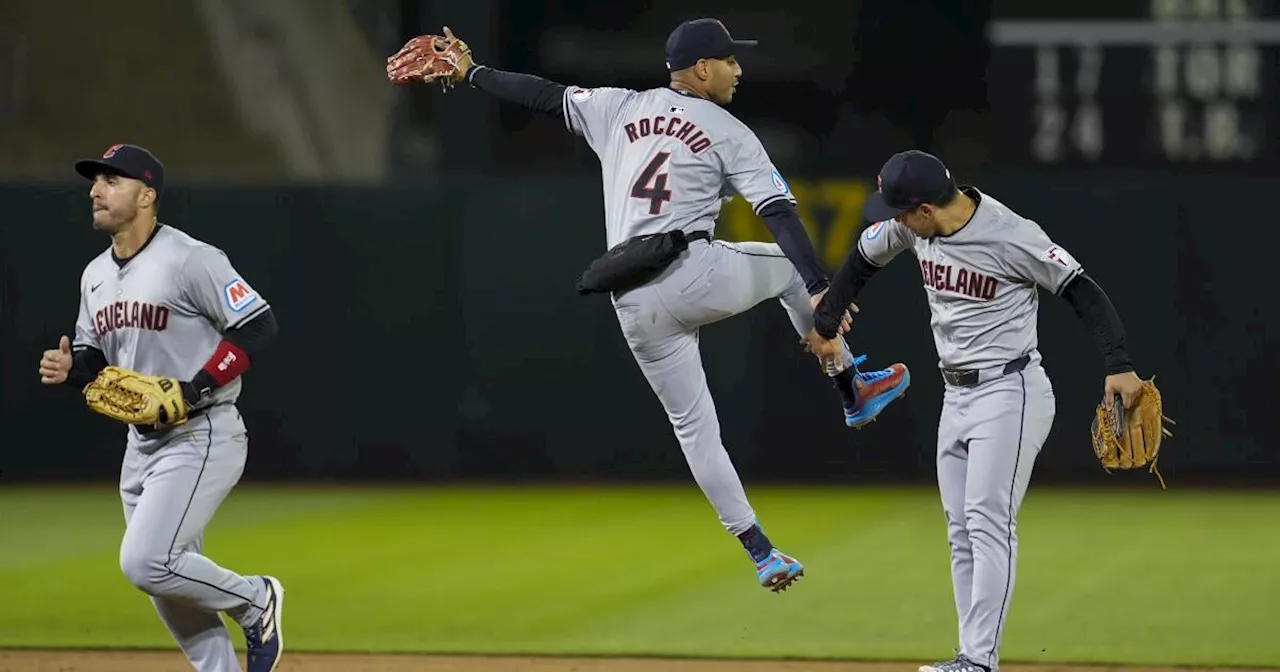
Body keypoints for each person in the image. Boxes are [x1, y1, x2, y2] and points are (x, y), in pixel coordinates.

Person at [386, 19, 910, 592]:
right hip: (691, 273)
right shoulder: (728, 129)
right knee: (787, 270)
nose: (738, 69)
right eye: (730, 60)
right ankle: (849, 386)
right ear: (703, 68)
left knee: (694, 430)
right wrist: (817, 287)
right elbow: (780, 213)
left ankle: (761, 552)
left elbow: (539, 94)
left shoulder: (616, 107)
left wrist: (473, 72)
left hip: (632, 300)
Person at [807, 150, 1146, 671]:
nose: (891, 219)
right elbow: (859, 262)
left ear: (923, 208)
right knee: (960, 528)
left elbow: (1083, 291)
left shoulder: (1011, 234)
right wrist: (826, 326)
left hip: (1011, 391)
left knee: (988, 521)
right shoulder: (913, 228)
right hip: (956, 394)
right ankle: (969, 657)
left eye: (898, 210)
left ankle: (978, 661)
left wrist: (1118, 363)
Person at [38, 144, 286, 672]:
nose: (96, 191)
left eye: (112, 181)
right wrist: (72, 371)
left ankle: (256, 599)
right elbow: (94, 357)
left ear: (147, 195)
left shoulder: (191, 258)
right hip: (141, 444)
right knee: (171, 588)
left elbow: (257, 325)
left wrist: (195, 388)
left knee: (146, 562)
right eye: (95, 182)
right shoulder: (95, 276)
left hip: (203, 432)